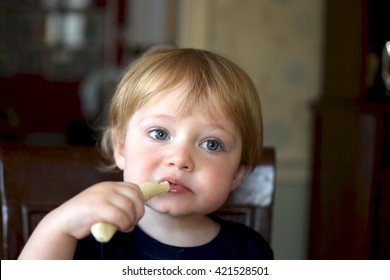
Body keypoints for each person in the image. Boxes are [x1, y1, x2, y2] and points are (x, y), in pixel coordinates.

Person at [18, 46, 274, 260]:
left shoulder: (249, 251)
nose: (180, 159)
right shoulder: (89, 239)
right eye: (160, 134)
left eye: (211, 144)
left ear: (238, 173)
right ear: (120, 148)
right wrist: (57, 227)